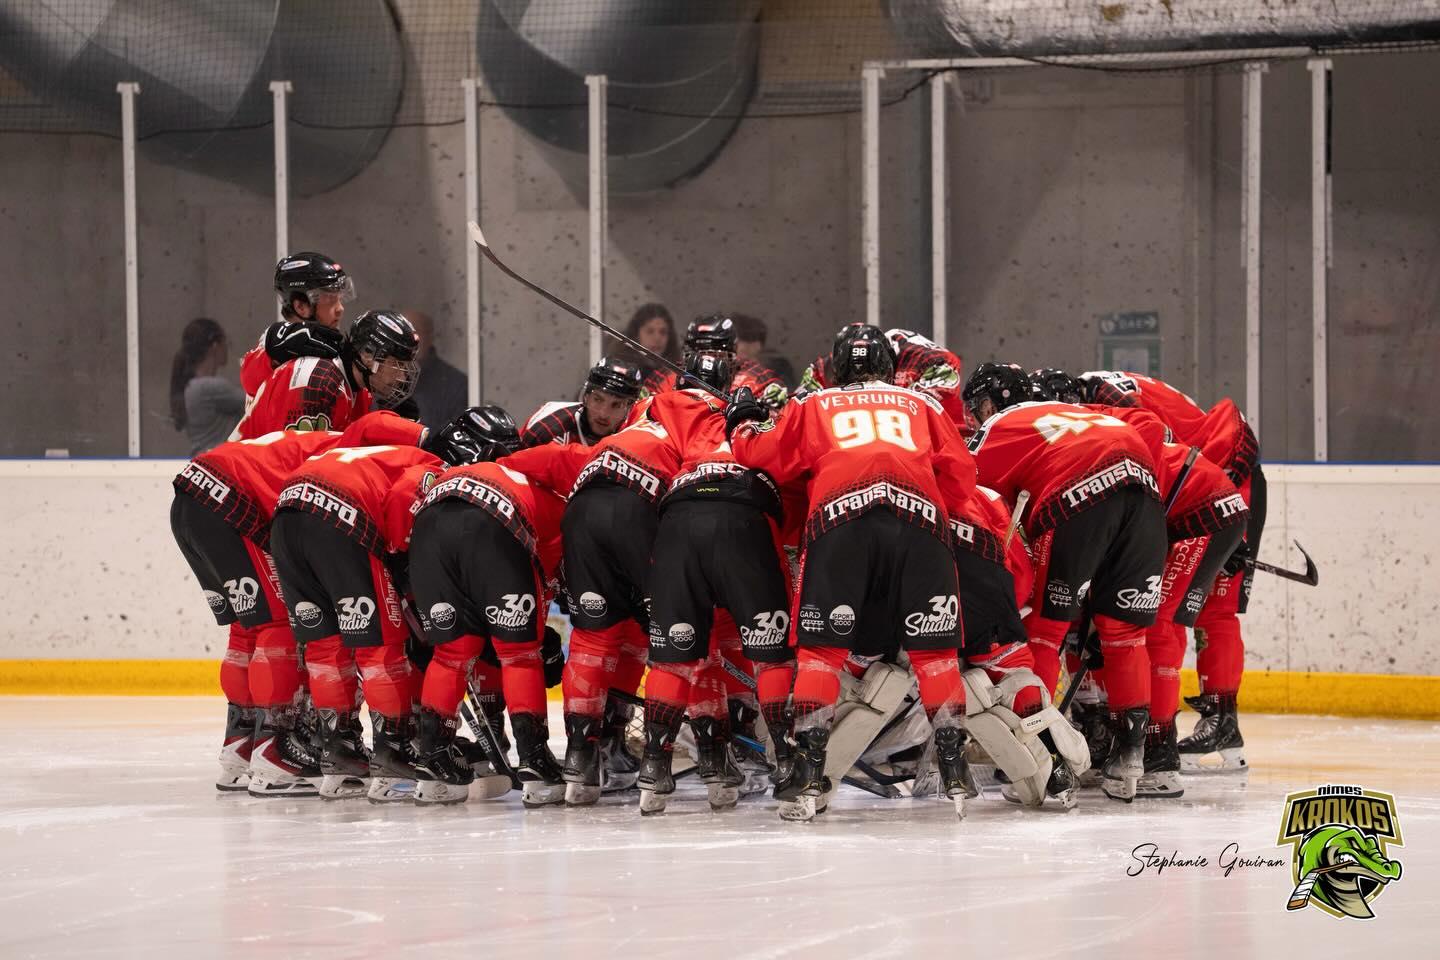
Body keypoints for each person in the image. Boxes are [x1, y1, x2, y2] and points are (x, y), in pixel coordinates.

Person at [728, 324, 980, 822]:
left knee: (822, 652)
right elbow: (961, 476)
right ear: (888, 367)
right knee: (935, 653)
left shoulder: (814, 403)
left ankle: (807, 771)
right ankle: (954, 769)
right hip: (920, 519)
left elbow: (764, 460)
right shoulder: (922, 404)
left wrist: (745, 421)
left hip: (841, 517)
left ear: (836, 368)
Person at [170, 410, 427, 796]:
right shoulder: (373, 457)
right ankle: (275, 751)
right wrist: (427, 438)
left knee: (248, 630)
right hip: (228, 500)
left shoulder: (331, 448)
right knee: (279, 628)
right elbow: (374, 429)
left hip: (193, 497)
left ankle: (244, 745)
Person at [267, 408, 501, 803]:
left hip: (287, 515)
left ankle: (338, 751)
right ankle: (394, 749)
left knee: (327, 647)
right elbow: (402, 505)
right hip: (340, 518)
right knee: (381, 646)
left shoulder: (384, 451)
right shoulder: (434, 467)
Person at [1076, 370, 1264, 772]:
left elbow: (1152, 453)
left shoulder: (1102, 394)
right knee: (1176, 610)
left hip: (1225, 472)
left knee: (1198, 611)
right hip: (1206, 476)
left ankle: (1218, 719)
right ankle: (1215, 720)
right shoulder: (1094, 396)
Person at [636, 349, 794, 815]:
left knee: (674, 654)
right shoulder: (771, 425)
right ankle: (786, 761)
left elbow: (664, 404)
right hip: (745, 517)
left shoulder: (686, 413)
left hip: (680, 518)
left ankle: (653, 767)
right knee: (771, 650)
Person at [409, 424, 588, 806]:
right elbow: (553, 571)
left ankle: (435, 763)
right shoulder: (557, 501)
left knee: (451, 654)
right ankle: (536, 762)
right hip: (493, 520)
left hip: (428, 519)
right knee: (520, 654)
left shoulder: (479, 469)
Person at [231, 310, 420, 440]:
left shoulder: (360, 392)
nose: (402, 378)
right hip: (238, 483)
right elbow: (286, 460)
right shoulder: (319, 379)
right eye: (396, 365)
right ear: (368, 354)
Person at [240, 253, 356, 399]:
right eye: (330, 298)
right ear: (301, 306)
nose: (340, 309)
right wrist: (272, 353)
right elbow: (249, 379)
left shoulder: (331, 346)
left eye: (339, 298)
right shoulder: (273, 345)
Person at [801, 326, 966, 428]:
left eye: (868, 372)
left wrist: (909, 404)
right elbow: (795, 413)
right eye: (850, 372)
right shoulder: (823, 368)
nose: (860, 382)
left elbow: (947, 367)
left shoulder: (921, 357)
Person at [647, 315, 790, 411]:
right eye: (699, 356)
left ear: (733, 355)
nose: (707, 363)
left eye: (716, 356)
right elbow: (642, 418)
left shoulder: (757, 379)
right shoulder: (664, 377)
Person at [519, 357, 644, 448]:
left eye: (616, 405)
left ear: (629, 408)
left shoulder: (636, 438)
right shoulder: (549, 431)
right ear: (586, 396)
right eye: (598, 399)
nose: (603, 414)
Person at [170, 318, 245, 454]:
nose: (227, 348)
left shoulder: (191, 386)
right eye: (226, 343)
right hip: (221, 466)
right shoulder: (208, 388)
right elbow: (258, 402)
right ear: (215, 346)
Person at [405, 309, 469, 434]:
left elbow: (456, 436)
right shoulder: (380, 379)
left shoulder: (456, 384)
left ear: (430, 337)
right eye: (404, 333)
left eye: (416, 331)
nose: (409, 339)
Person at [612, 302, 680, 389]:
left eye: (663, 332)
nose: (657, 338)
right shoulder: (619, 370)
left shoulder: (677, 373)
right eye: (650, 331)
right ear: (636, 335)